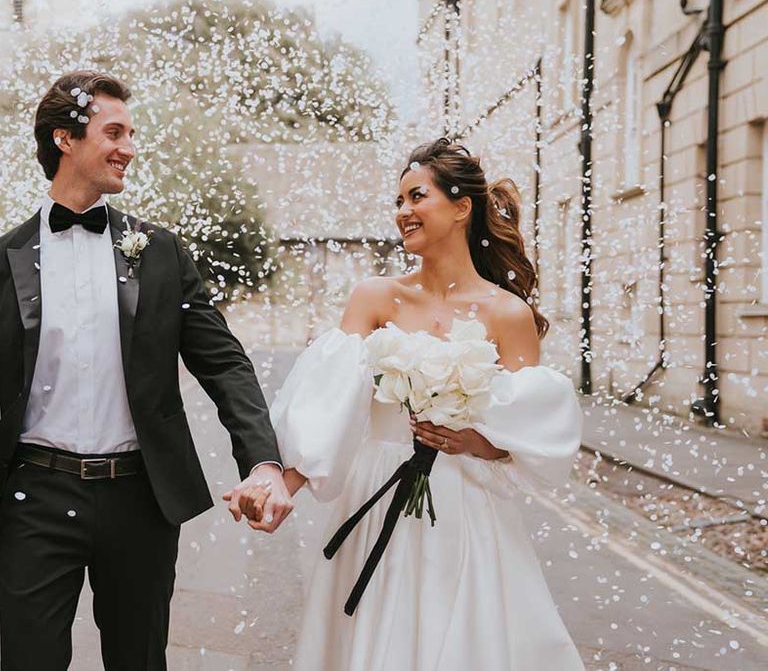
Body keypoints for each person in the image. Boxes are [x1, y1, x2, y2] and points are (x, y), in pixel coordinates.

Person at [0, 70, 293, 671]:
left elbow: (225, 364)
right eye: (114, 132)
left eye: (132, 133)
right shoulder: (5, 259)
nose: (129, 147)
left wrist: (263, 461)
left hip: (140, 496)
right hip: (32, 497)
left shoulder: (160, 252)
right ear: (65, 139)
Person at [261, 138, 585, 670]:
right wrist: (282, 481)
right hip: (376, 488)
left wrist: (477, 441)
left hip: (465, 504)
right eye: (398, 202)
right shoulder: (374, 297)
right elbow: (331, 407)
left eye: (416, 197)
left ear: (462, 208)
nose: (402, 213)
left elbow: (532, 433)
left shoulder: (508, 314)